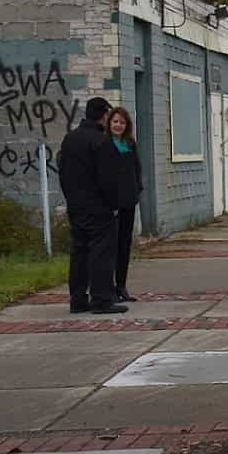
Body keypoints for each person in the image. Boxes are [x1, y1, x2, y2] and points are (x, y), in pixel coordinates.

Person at [57, 96, 127, 314]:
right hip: (98, 208)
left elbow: (62, 172)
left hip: (76, 206)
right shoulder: (101, 141)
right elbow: (108, 178)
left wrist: (71, 198)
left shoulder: (70, 139)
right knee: (101, 253)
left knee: (79, 253)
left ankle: (77, 299)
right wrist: (114, 204)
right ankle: (101, 299)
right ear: (104, 116)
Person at [105, 105, 144, 303]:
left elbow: (137, 168)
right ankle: (109, 287)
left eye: (122, 122)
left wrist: (137, 189)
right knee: (111, 245)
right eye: (115, 122)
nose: (118, 125)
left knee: (124, 244)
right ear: (109, 123)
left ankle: (121, 285)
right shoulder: (104, 144)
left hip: (129, 201)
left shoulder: (130, 144)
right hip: (111, 204)